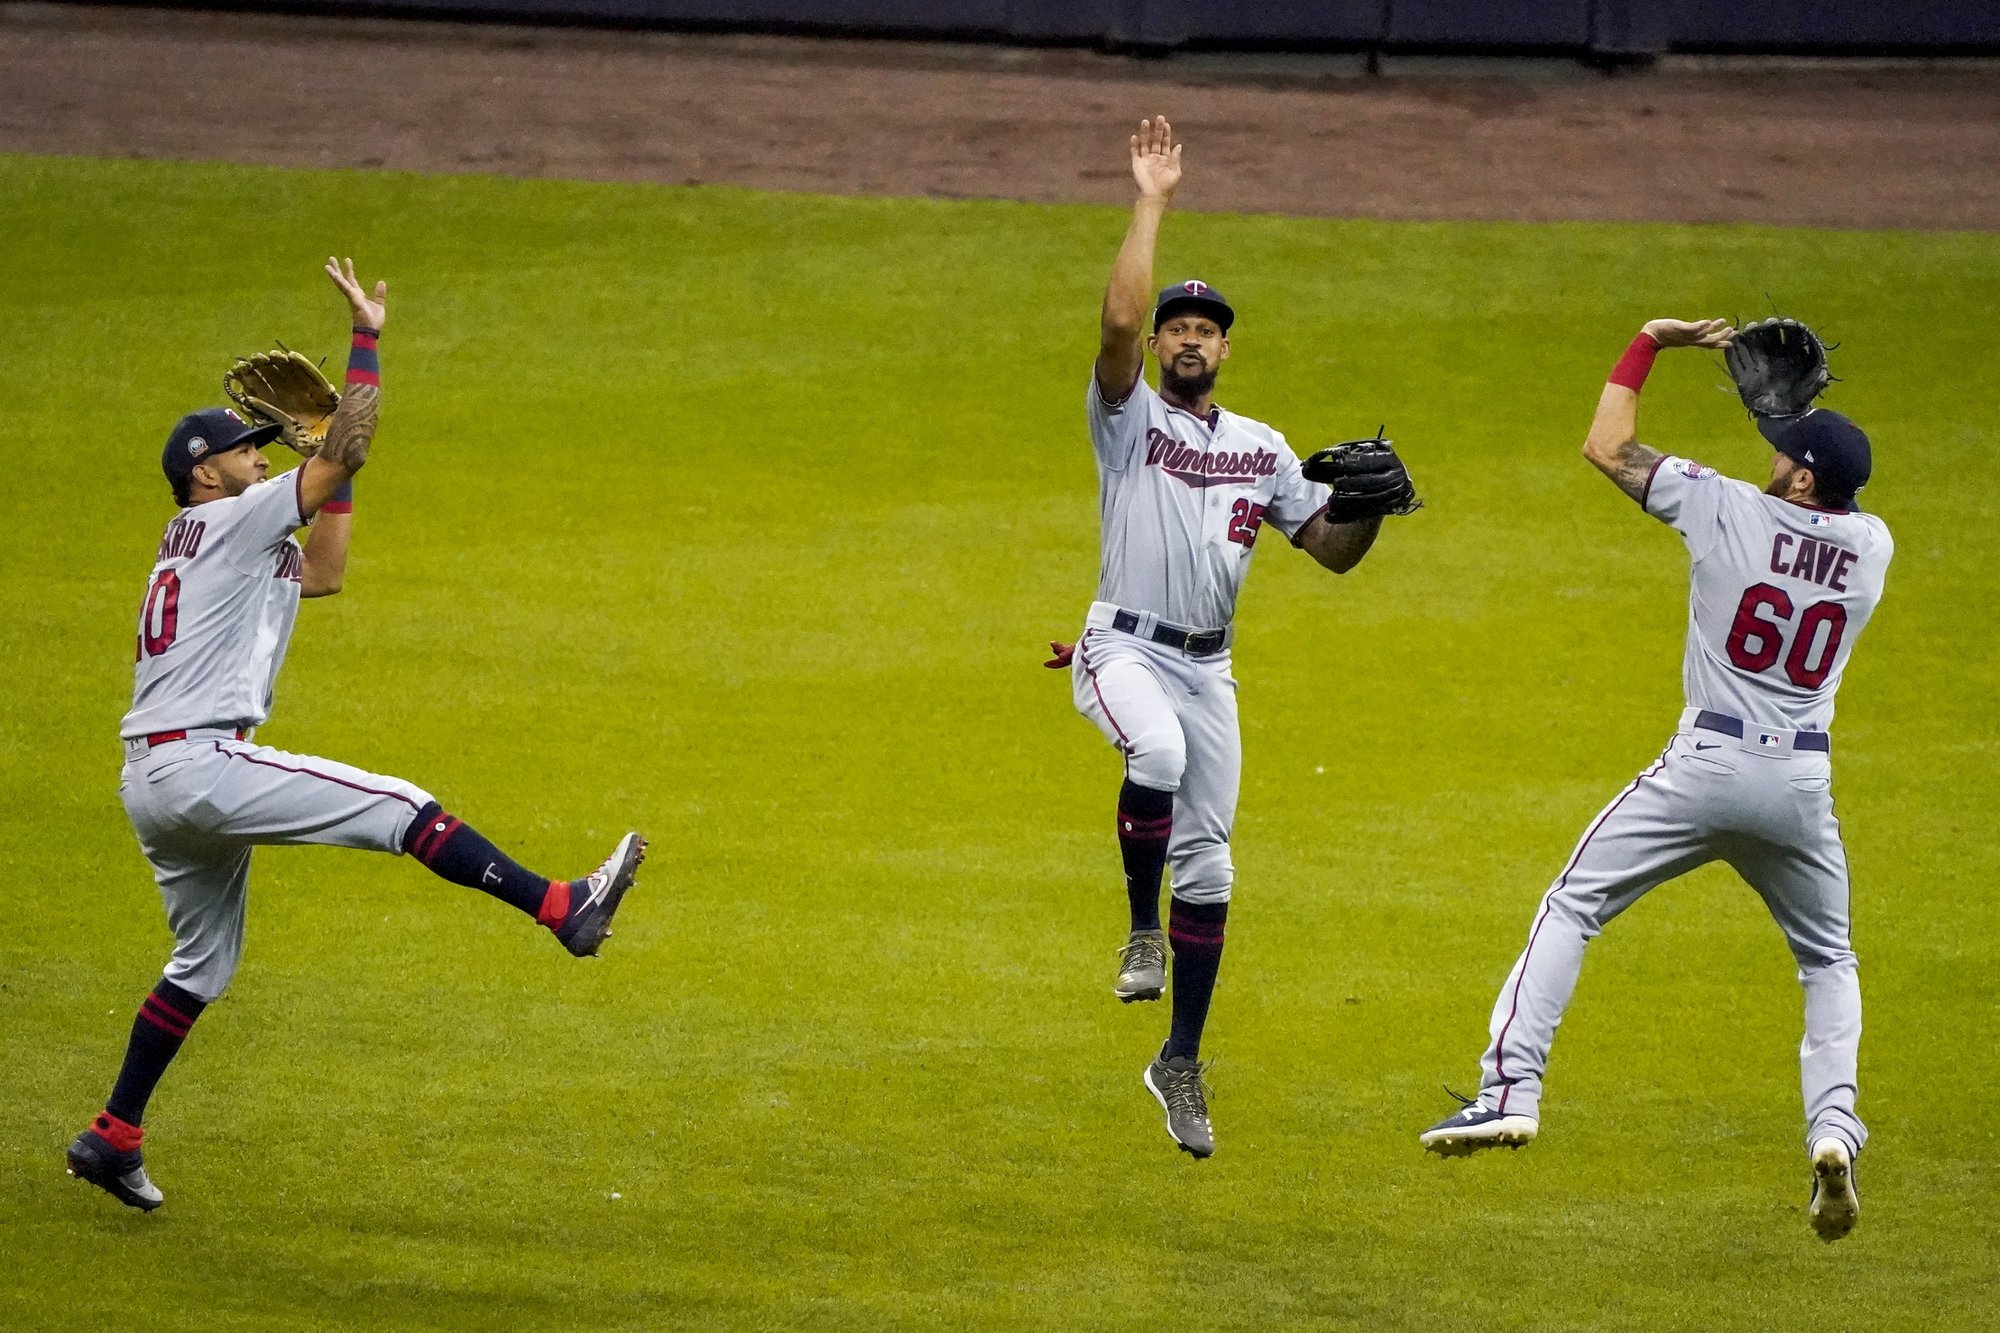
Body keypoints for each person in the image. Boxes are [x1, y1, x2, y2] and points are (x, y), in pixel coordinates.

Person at [67, 258, 647, 1211]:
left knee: (201, 964)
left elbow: (327, 569)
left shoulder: (222, 540)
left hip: (157, 781)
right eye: (246, 449)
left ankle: (113, 1133)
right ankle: (560, 907)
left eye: (267, 448)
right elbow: (351, 452)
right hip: (202, 760)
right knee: (401, 807)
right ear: (201, 473)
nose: (262, 455)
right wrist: (366, 342)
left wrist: (324, 460)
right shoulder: (233, 518)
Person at [1419, 317, 1889, 1244]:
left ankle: (1509, 1087)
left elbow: (1606, 444)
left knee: (1571, 905)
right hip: (1799, 788)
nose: (1767, 457)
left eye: (1781, 454)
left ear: (1798, 476)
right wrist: (1809, 445)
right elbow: (1822, 504)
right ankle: (1833, 1125)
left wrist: (1650, 343)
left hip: (1704, 769)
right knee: (1827, 961)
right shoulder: (1874, 546)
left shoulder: (1722, 505)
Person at [1053, 119, 1404, 1158]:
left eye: (1208, 327)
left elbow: (1329, 549)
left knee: (1212, 869)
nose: (1191, 337)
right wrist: (1151, 198)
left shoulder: (1260, 448)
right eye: (1178, 327)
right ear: (1158, 346)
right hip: (1119, 647)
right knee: (1151, 754)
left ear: (1226, 346)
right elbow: (1113, 320)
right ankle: (1138, 930)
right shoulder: (1125, 420)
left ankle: (1180, 1059)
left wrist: (1376, 505)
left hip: (1209, 669)